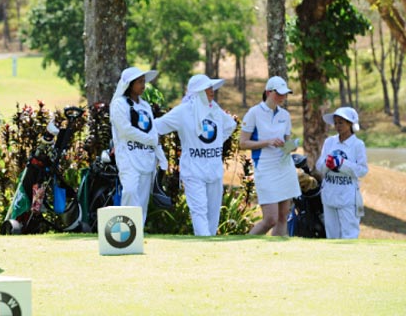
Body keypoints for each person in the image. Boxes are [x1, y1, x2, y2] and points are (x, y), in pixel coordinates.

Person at [155, 75, 236, 236]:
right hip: (193, 170)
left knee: (213, 213)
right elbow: (157, 126)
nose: (212, 92)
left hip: (214, 170)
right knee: (199, 210)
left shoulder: (214, 109)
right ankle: (205, 246)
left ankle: (210, 245)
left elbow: (230, 125)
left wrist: (216, 143)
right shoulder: (183, 111)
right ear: (197, 92)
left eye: (212, 88)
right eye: (207, 89)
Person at [239, 76, 301, 236]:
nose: (282, 97)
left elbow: (287, 142)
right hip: (265, 167)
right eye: (279, 93)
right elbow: (243, 143)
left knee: (283, 216)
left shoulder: (285, 115)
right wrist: (267, 142)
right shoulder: (254, 113)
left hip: (284, 167)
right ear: (268, 92)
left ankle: (278, 252)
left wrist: (291, 146)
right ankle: (244, 246)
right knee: (270, 219)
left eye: (285, 94)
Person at [110, 67, 166, 224]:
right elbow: (126, 131)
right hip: (128, 157)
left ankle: (138, 234)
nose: (143, 85)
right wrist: (150, 140)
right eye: (140, 82)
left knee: (142, 200)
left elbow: (153, 132)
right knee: (130, 191)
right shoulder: (119, 104)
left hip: (146, 158)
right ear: (130, 84)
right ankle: (127, 234)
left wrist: (161, 157)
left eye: (144, 82)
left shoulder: (145, 106)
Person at [316, 107, 368, 239]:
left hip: (348, 197)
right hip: (329, 194)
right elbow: (319, 166)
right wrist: (327, 164)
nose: (337, 126)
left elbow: (362, 170)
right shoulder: (329, 142)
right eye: (336, 122)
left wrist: (342, 164)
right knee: (331, 235)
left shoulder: (357, 144)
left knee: (349, 234)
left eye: (341, 122)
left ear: (350, 124)